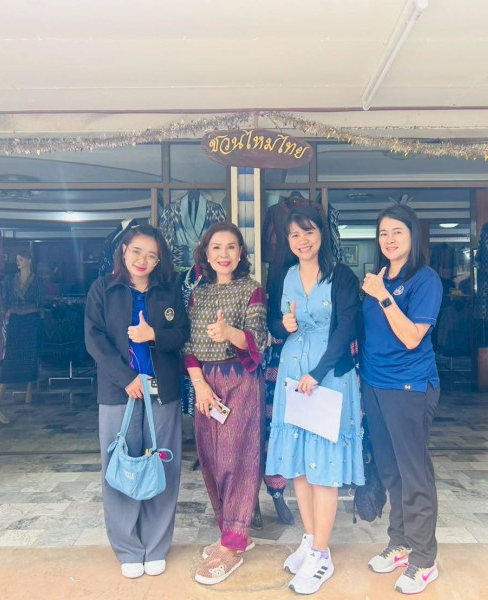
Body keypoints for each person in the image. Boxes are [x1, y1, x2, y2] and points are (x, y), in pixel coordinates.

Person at [264, 205, 365, 595]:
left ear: (322, 234)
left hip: (328, 378)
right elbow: (274, 323)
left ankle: (322, 553)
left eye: (308, 232)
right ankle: (310, 539)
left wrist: (317, 374)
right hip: (293, 376)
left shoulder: (342, 277)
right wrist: (283, 324)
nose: (302, 241)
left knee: (323, 466)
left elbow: (346, 329)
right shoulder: (283, 276)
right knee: (301, 466)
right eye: (294, 235)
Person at [84, 223, 189, 580]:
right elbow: (94, 339)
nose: (143, 260)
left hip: (163, 391)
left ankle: (156, 546)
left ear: (160, 260)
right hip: (119, 393)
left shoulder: (169, 291)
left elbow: (181, 335)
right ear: (124, 251)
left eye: (152, 255)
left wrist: (153, 335)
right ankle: (128, 548)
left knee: (163, 466)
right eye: (137, 251)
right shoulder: (103, 289)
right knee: (121, 466)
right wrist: (125, 378)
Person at [360, 204, 443, 595]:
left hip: (409, 387)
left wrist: (383, 297)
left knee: (414, 474)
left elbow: (412, 337)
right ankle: (401, 542)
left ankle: (424, 560)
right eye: (383, 233)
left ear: (412, 235)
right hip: (375, 385)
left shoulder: (425, 280)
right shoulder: (377, 278)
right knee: (390, 470)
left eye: (397, 232)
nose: (389, 239)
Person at [183, 222, 267, 586]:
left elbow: (259, 339)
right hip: (205, 385)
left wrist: (229, 333)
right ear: (205, 252)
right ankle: (230, 533)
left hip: (241, 380)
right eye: (216, 247)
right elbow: (188, 345)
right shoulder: (197, 294)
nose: (223, 254)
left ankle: (233, 543)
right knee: (211, 460)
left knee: (238, 459)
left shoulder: (252, 289)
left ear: (241, 253)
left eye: (231, 247)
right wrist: (200, 385)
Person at [0, 249, 44, 423]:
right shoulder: (9, 280)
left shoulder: (37, 281)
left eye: (21, 259)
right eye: (17, 259)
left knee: (30, 355)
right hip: (15, 319)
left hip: (31, 320)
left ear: (29, 261)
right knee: (11, 356)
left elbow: (40, 301)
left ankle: (29, 390)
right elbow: (5, 300)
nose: (18, 262)